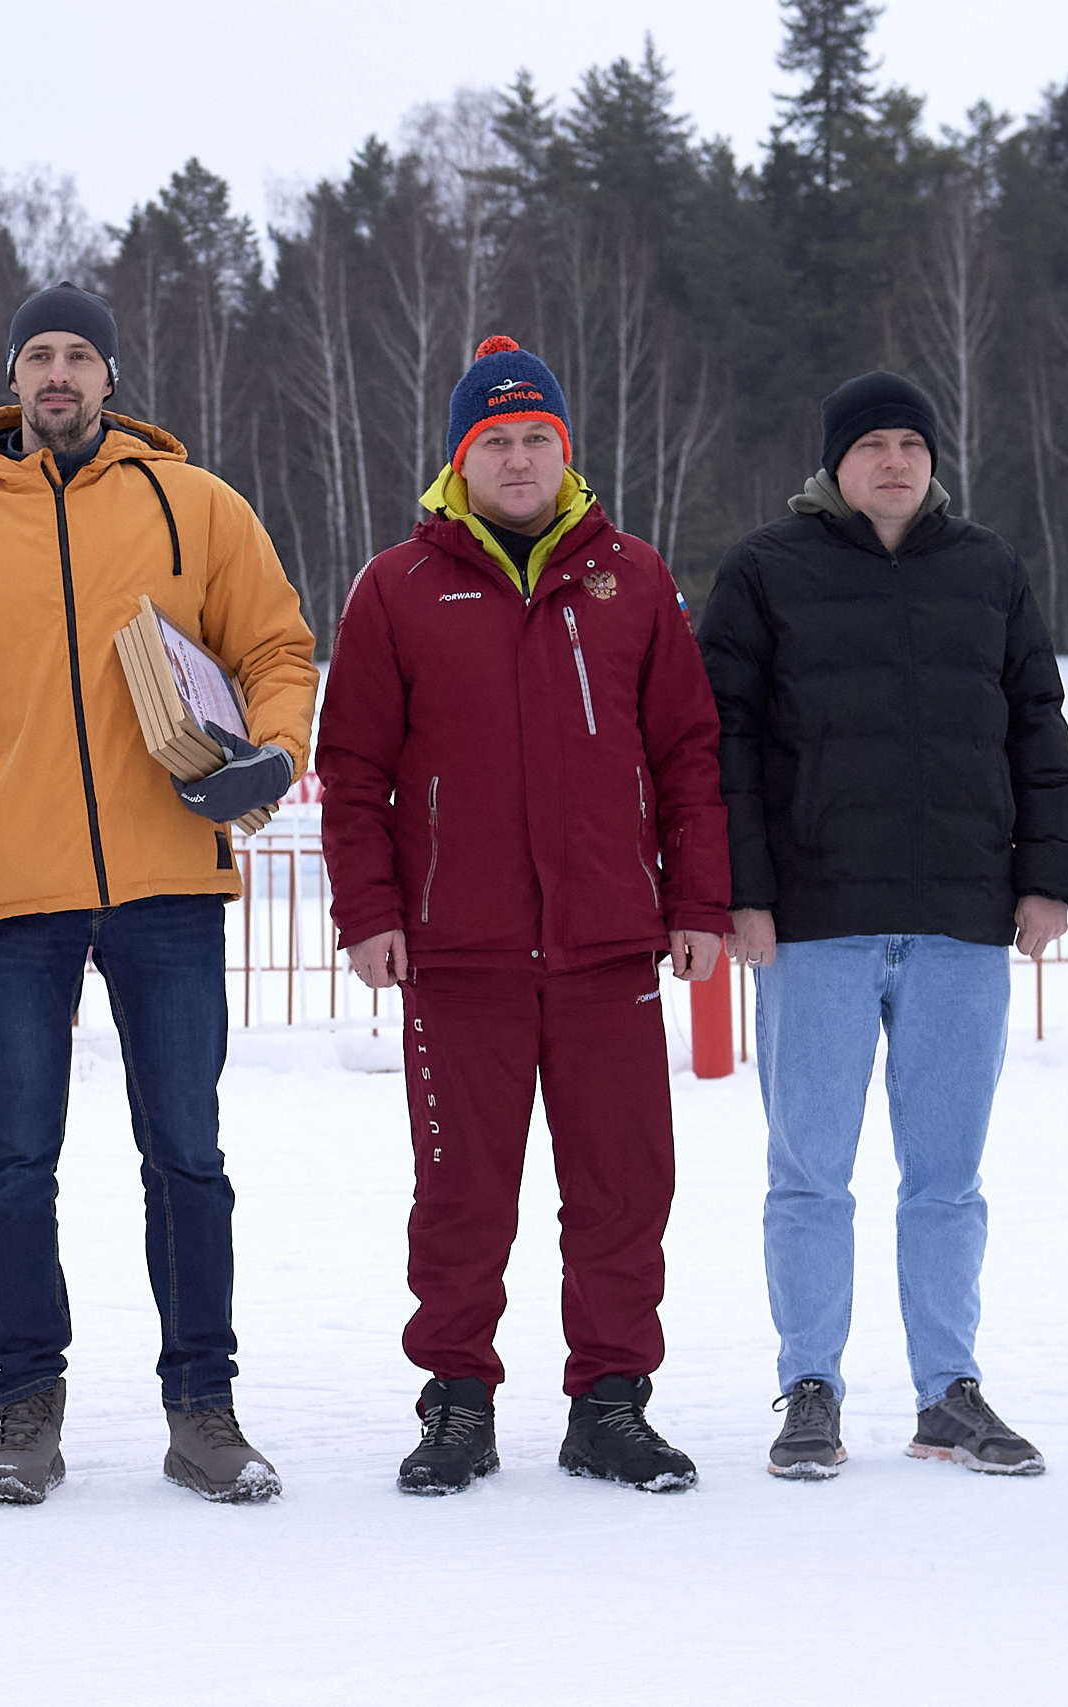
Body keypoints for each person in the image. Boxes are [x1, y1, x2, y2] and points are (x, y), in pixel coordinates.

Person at [0, 283, 317, 1507]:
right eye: (37, 356)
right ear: (10, 381)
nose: (57, 374)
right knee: (13, 1158)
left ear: (111, 376)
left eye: (78, 354)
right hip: (11, 893)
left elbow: (277, 648)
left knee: (186, 1152)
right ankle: (25, 1408)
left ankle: (203, 1410)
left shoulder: (199, 505)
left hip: (168, 876)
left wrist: (276, 749)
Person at [316, 336, 729, 1496]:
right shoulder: (396, 587)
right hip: (459, 953)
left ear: (565, 450)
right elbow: (351, 769)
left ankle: (609, 1401)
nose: (515, 458)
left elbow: (689, 755)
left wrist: (694, 898)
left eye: (534, 438)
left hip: (608, 949)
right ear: (459, 460)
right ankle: (457, 1401)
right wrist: (368, 912)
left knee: (622, 1186)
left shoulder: (632, 579)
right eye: (492, 441)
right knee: (459, 1193)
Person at [697, 370, 1068, 1480]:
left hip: (962, 920)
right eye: (871, 443)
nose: (894, 461)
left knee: (946, 1176)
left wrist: (1046, 875)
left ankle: (947, 1393)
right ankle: (809, 1385)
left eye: (911, 442)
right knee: (809, 1172)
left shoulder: (988, 569)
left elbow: (1036, 727)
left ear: (932, 459)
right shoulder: (768, 572)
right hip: (815, 921)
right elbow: (722, 741)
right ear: (834, 462)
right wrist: (745, 892)